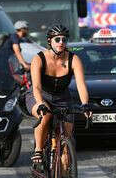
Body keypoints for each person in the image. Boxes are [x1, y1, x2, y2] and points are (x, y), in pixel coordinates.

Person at [25, 25, 92, 169]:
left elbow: (81, 85)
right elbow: (36, 86)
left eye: (64, 39)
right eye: (57, 39)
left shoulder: (73, 59)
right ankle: (38, 150)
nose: (61, 42)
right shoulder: (39, 58)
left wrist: (85, 104)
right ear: (50, 41)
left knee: (65, 145)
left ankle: (61, 163)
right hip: (39, 95)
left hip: (62, 97)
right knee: (46, 115)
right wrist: (41, 103)